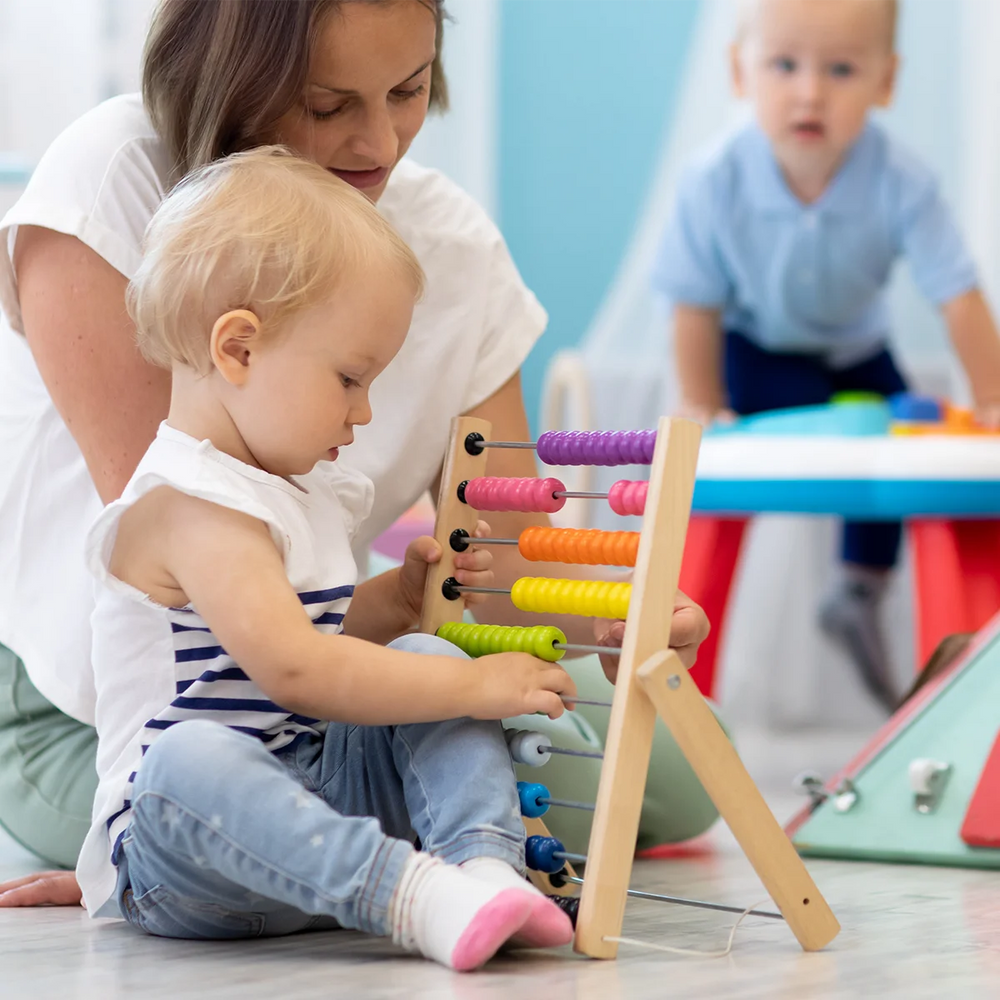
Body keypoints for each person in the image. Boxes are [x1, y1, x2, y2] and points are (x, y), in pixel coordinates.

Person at [0, 0, 713, 905]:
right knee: (224, 775)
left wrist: (610, 615)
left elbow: (490, 577)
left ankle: (430, 863)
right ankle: (364, 872)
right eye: (327, 106)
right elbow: (230, 620)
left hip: (326, 687)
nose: (380, 142)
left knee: (672, 771)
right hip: (115, 712)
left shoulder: (447, 244)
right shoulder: (114, 182)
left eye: (408, 90)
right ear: (232, 79)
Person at [75, 146, 580, 969]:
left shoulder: (294, 488)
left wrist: (401, 598)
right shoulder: (187, 506)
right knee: (189, 758)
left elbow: (327, 626)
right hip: (185, 858)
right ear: (238, 349)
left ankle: (484, 869)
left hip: (306, 812)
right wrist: (479, 682)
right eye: (350, 378)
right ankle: (412, 897)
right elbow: (298, 669)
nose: (366, 410)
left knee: (422, 650)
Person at [652, 0, 1000, 710]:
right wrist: (701, 398)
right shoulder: (712, 179)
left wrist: (993, 397)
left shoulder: (904, 178)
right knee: (742, 455)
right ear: (740, 71)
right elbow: (695, 304)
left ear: (886, 81)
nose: (810, 92)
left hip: (857, 349)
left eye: (841, 70)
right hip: (757, 347)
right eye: (784, 65)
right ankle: (692, 643)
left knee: (899, 448)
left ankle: (860, 591)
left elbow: (958, 295)